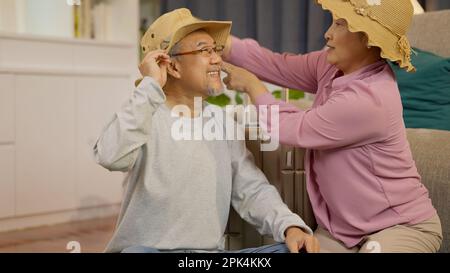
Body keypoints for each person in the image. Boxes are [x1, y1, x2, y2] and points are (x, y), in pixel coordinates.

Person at [220, 0, 442, 253]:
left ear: (368, 39)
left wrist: (252, 86)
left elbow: (293, 128)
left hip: (399, 226)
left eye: (340, 24)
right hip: (339, 233)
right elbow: (277, 65)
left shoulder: (371, 99)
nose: (328, 33)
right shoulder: (330, 66)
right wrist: (224, 45)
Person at [93, 8, 319, 253]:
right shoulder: (144, 114)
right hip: (147, 251)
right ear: (172, 66)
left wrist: (290, 227)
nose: (217, 60)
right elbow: (110, 155)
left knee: (293, 251)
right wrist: (149, 86)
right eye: (204, 50)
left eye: (216, 50)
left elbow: (252, 190)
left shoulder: (221, 122)